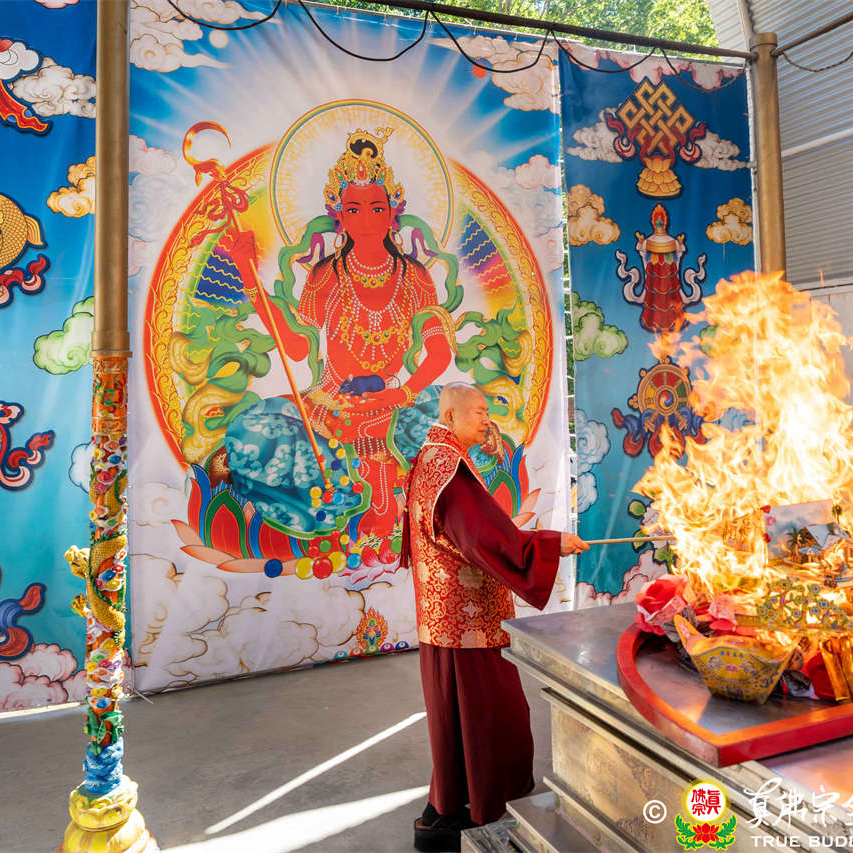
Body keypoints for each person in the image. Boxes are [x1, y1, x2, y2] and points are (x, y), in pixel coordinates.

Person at [400, 382, 588, 852]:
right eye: (478, 412)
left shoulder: (431, 460)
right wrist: (550, 544)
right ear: (449, 416)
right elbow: (483, 538)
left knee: (455, 720)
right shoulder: (451, 471)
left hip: (444, 618)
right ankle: (487, 809)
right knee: (490, 717)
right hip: (468, 621)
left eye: (487, 411)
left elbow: (475, 532)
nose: (487, 420)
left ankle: (449, 808)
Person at [263, 128, 452, 550]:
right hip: (332, 399)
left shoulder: (415, 277)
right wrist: (255, 289)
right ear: (340, 217)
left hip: (395, 399)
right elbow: (298, 347)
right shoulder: (325, 275)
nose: (366, 219)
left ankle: (392, 522)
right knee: (268, 435)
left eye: (376, 208)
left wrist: (400, 393)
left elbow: (438, 353)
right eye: (354, 209)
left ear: (392, 213)